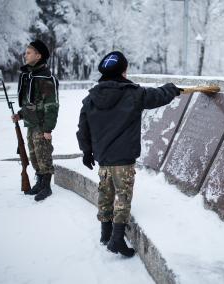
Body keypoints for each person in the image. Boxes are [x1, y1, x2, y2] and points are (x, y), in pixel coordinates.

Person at [76, 51, 182, 257]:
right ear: (123, 72)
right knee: (122, 197)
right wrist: (172, 89)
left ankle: (105, 233)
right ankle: (116, 239)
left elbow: (83, 128)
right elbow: (158, 96)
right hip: (123, 159)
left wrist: (87, 152)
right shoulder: (133, 93)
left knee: (105, 194)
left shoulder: (90, 98)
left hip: (104, 159)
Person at [11, 39, 59, 202]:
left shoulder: (44, 78)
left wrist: (48, 129)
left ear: (38, 56)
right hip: (31, 123)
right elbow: (29, 101)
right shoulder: (29, 76)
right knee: (33, 155)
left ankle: (46, 186)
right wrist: (20, 114)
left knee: (43, 154)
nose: (26, 55)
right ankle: (39, 182)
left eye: (29, 52)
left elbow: (51, 105)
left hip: (41, 124)